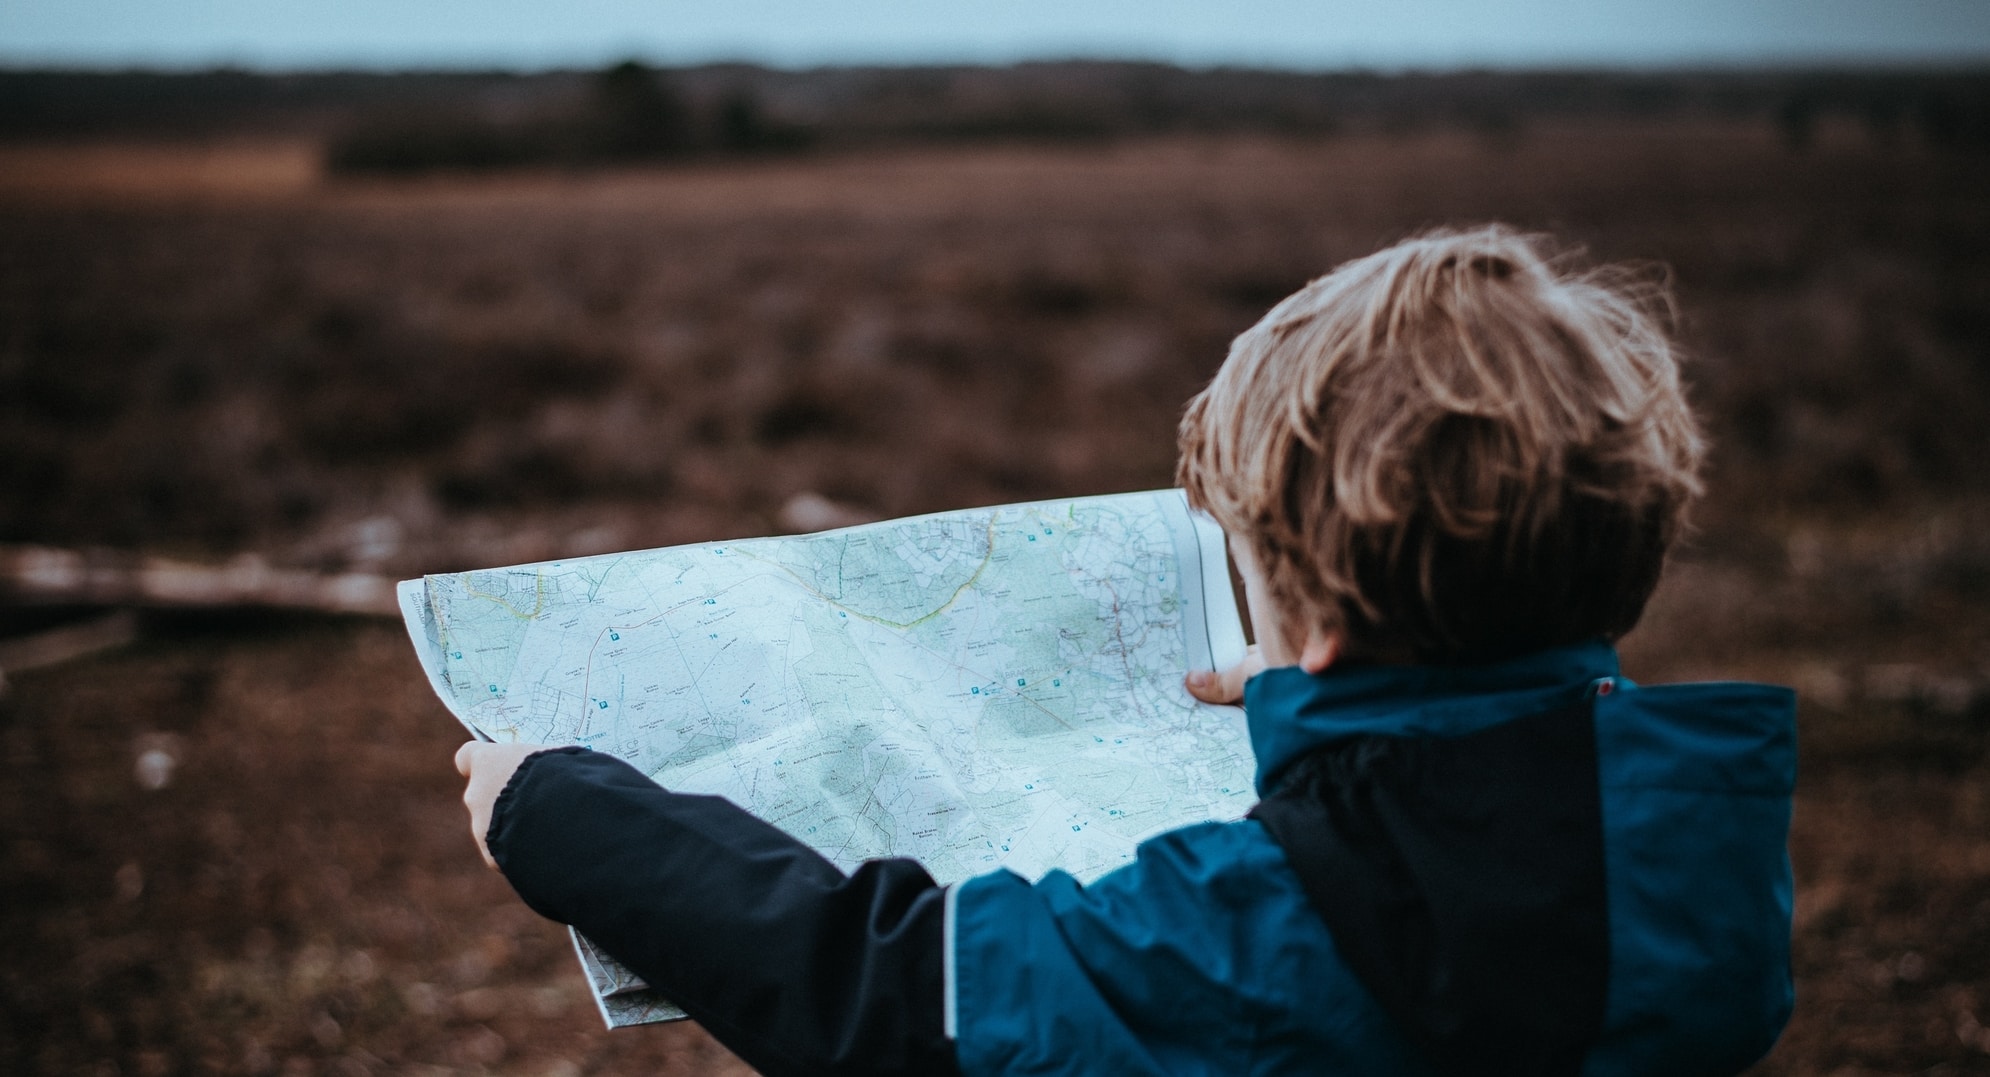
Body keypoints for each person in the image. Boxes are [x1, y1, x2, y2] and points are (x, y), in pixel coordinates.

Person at [455, 225, 1796, 1077]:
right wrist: (1321, 710)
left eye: (1254, 572)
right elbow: (1488, 793)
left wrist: (563, 816)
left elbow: (890, 996)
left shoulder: (1248, 930)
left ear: (1316, 619)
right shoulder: (1699, 866)